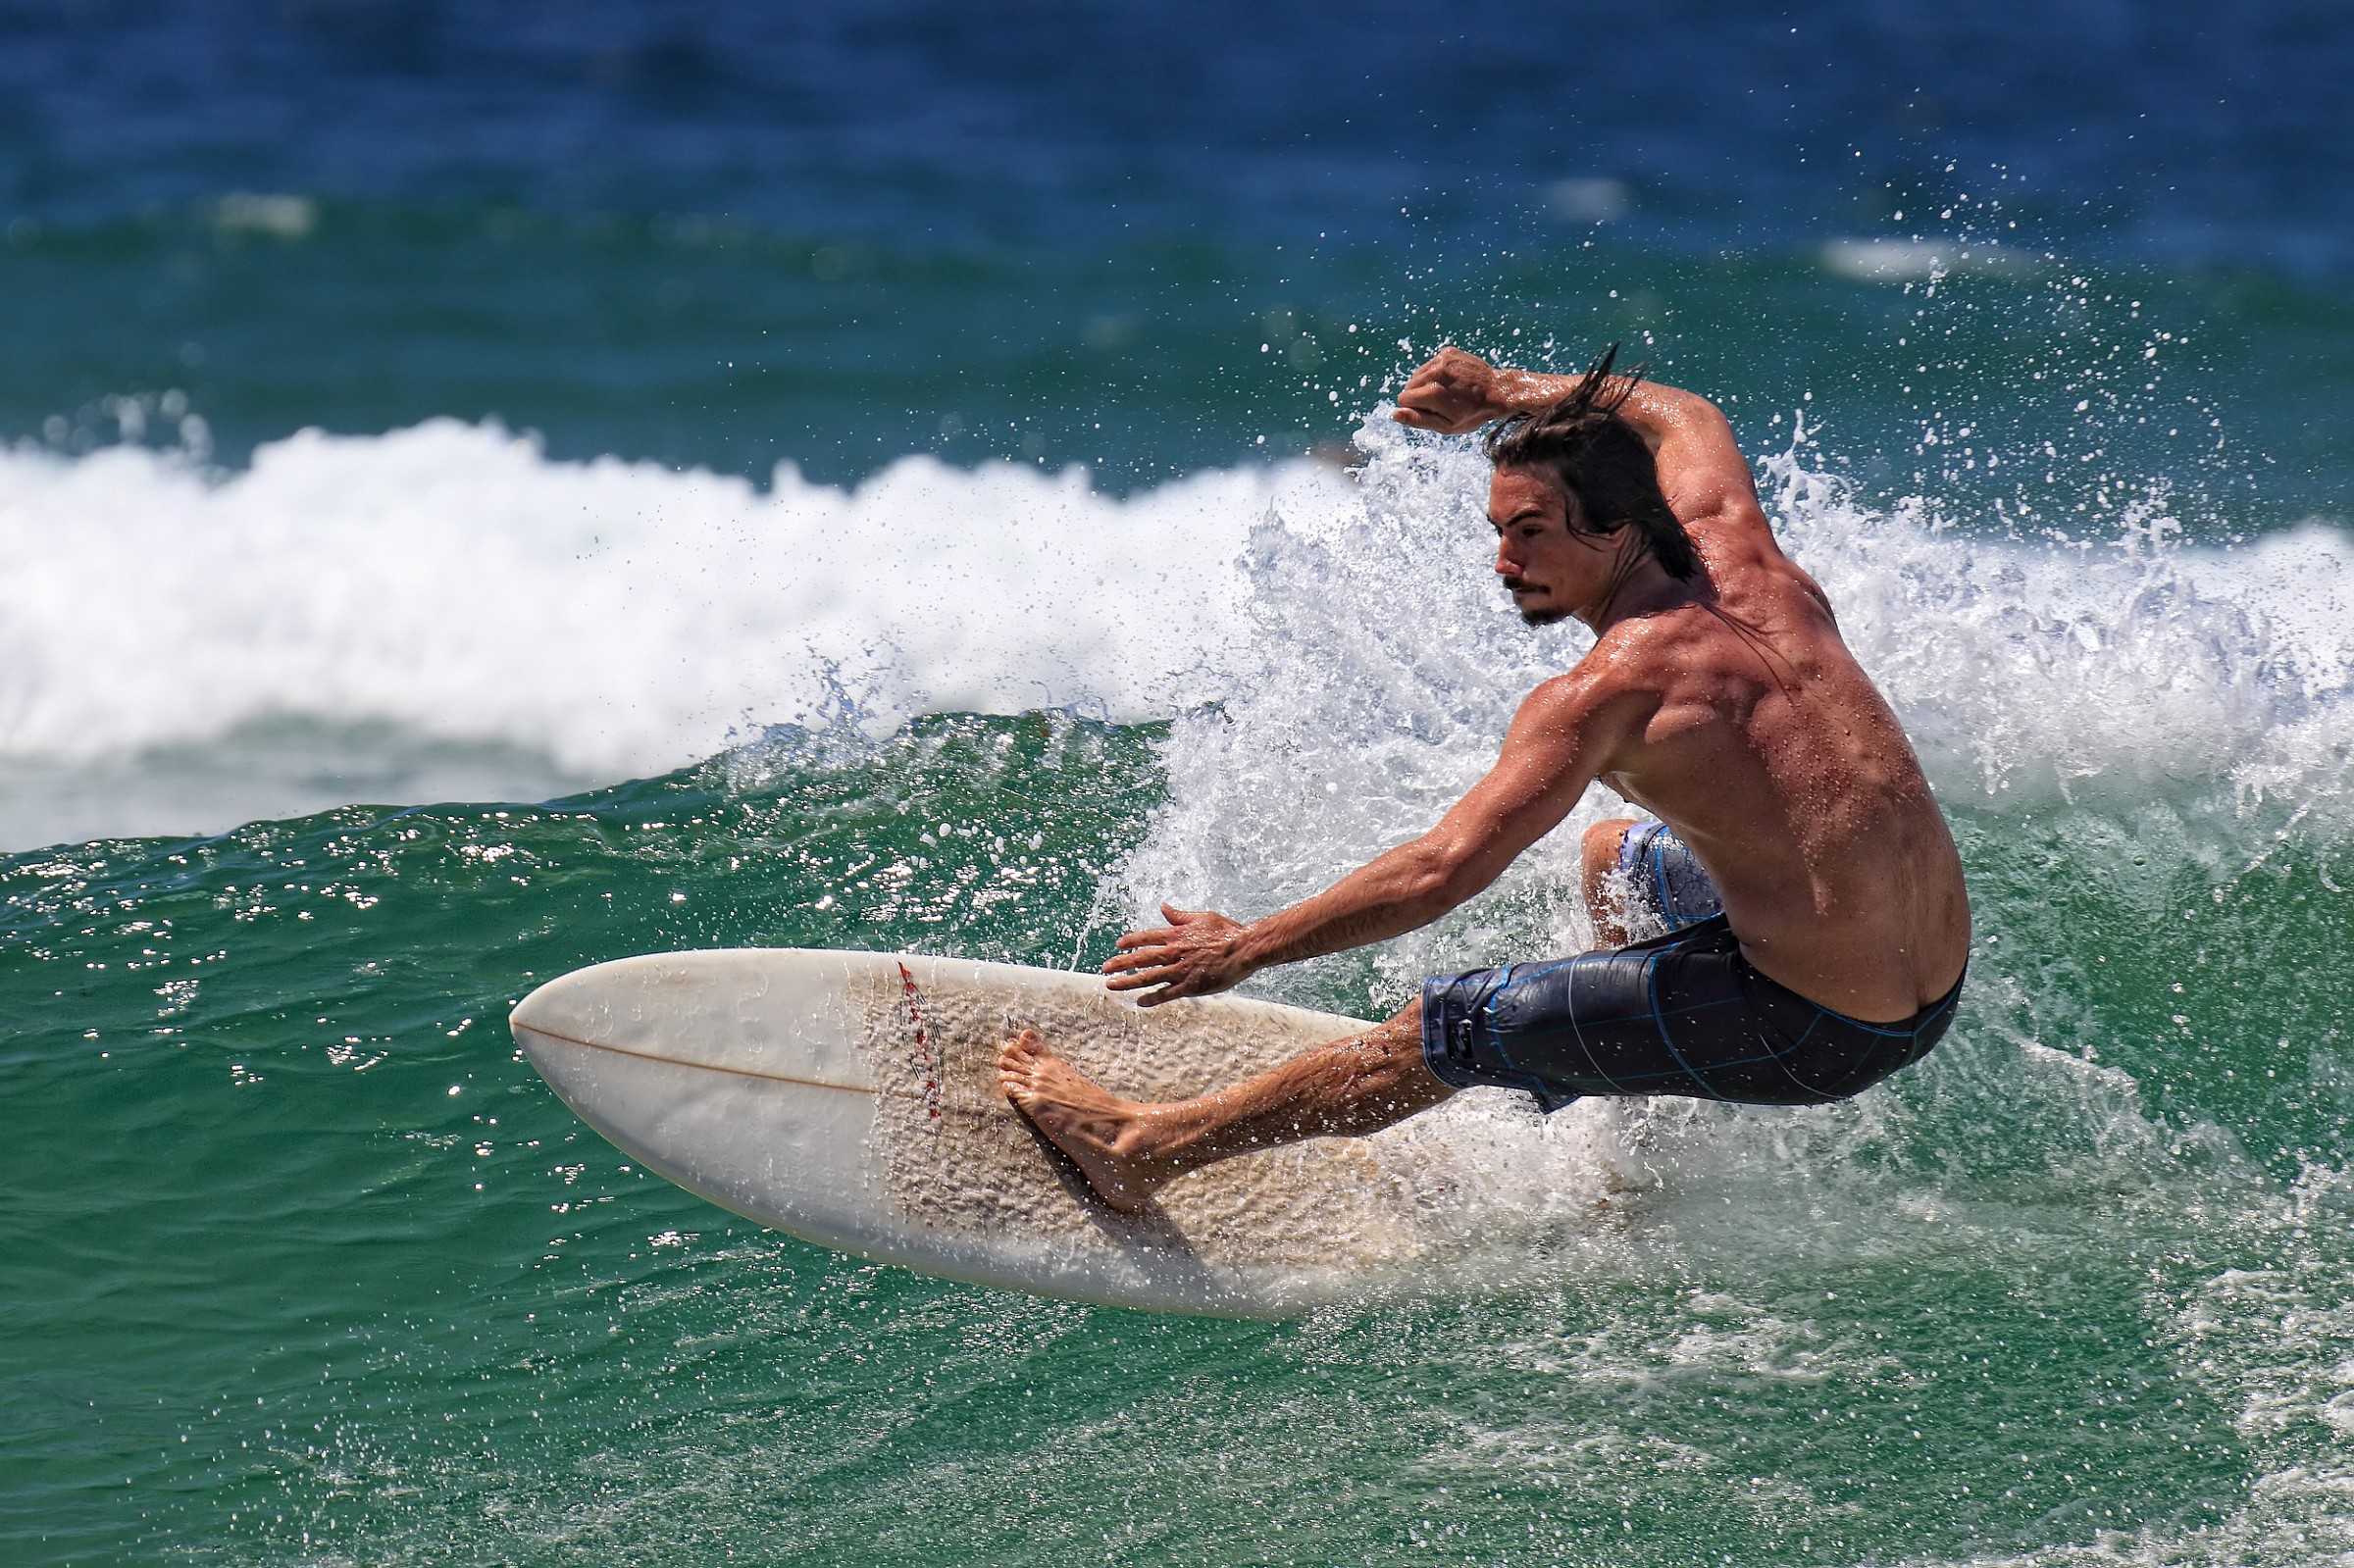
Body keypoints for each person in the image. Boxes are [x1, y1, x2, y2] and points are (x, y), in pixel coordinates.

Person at [998, 345, 1971, 1213]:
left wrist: (1248, 946)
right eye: (1500, 529)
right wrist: (1505, 392)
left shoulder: (1608, 694)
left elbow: (1440, 871)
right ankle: (1627, 1128)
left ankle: (1140, 1151)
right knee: (1616, 859)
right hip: (1928, 978)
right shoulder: (1741, 554)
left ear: (1617, 526)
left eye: (1533, 531)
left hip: (1819, 1031)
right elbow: (1684, 414)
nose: (1504, 562)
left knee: (1454, 1022)